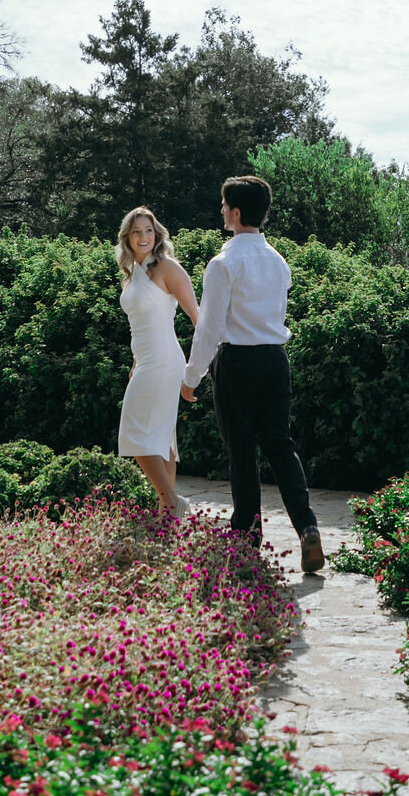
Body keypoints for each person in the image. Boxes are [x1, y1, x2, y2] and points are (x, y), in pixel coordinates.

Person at [180, 175, 325, 573]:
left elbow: (209, 328)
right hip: (275, 360)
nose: (221, 210)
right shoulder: (278, 261)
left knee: (242, 450)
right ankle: (308, 526)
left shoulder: (223, 263)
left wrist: (191, 375)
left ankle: (245, 537)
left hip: (237, 362)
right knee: (281, 446)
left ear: (237, 212)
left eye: (225, 205)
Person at [116, 206, 199, 514]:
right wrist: (135, 363)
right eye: (137, 231)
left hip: (165, 362)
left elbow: (196, 315)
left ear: (157, 234)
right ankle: (168, 518)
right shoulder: (131, 274)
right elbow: (138, 325)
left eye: (148, 231)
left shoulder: (168, 268)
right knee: (162, 437)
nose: (143, 237)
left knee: (135, 434)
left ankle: (173, 504)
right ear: (127, 236)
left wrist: (199, 364)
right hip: (145, 361)